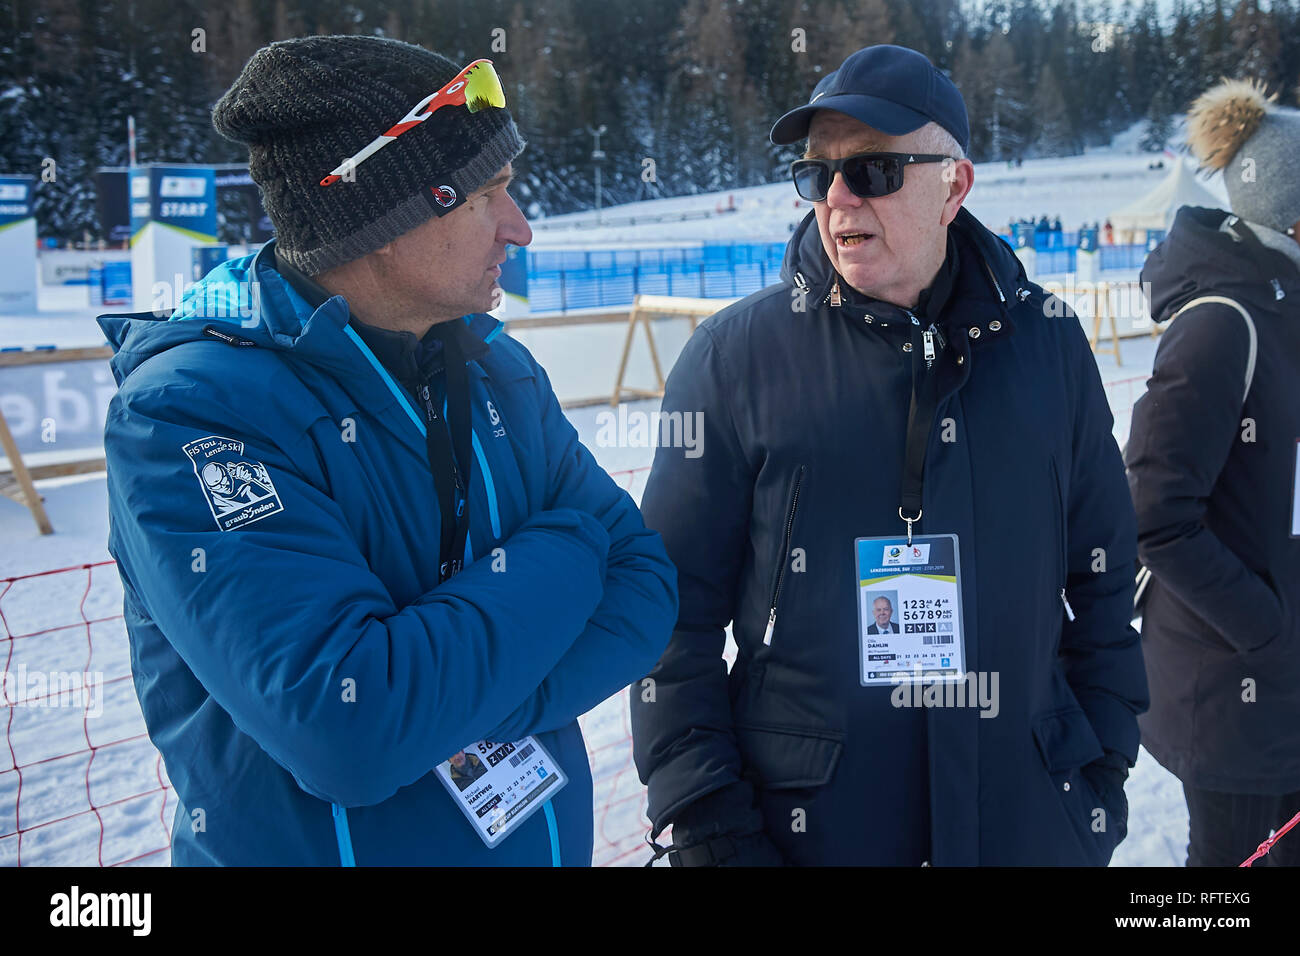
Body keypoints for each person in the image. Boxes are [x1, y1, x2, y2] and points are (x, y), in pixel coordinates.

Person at [97, 35, 677, 866]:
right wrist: (570, 549)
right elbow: (353, 729)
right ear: (379, 220)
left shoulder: (494, 365)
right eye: (487, 195)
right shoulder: (191, 414)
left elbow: (647, 594)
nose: (520, 228)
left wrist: (446, 706)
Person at [630, 44, 1147, 866]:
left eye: (872, 169)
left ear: (954, 184)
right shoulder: (734, 360)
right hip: (812, 833)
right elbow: (669, 619)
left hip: (1024, 822)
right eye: (817, 174)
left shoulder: (1048, 344)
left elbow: (1105, 580)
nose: (837, 198)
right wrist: (708, 823)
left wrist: (1098, 776)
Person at [1127, 77, 1300, 867]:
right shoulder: (1222, 323)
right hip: (1233, 690)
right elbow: (1155, 515)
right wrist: (1266, 629)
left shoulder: (1282, 305)